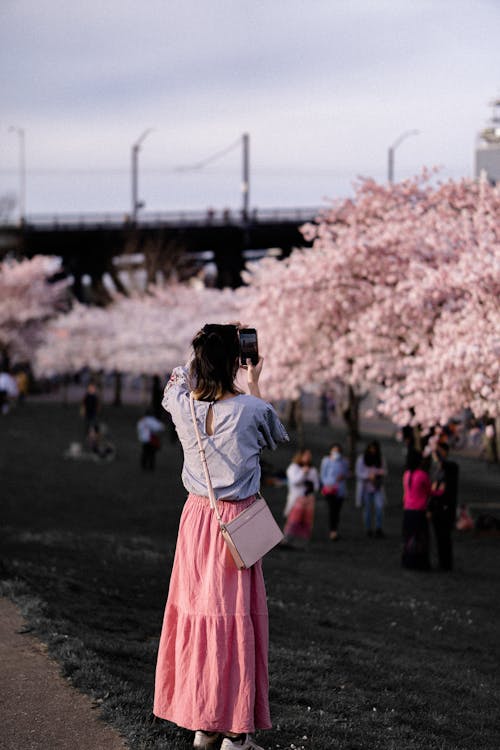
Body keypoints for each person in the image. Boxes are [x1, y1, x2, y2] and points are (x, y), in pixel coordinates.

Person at [153, 323, 289, 750]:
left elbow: (176, 379)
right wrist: (255, 381)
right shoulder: (252, 409)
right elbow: (277, 437)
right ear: (237, 360)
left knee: (199, 614)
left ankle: (203, 719)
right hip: (237, 522)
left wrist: (207, 347)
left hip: (197, 520)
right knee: (234, 620)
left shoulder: (181, 406)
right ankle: (232, 728)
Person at [429, 443, 459, 571]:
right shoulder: (438, 469)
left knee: (444, 537)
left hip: (445, 508)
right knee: (440, 537)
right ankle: (443, 562)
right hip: (438, 506)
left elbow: (443, 489)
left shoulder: (451, 468)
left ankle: (446, 563)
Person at [401, 451, 431, 570]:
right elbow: (429, 491)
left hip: (408, 510)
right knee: (420, 537)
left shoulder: (407, 474)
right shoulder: (422, 475)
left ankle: (408, 559)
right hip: (419, 510)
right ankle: (420, 562)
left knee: (408, 536)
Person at [355, 440, 387, 538]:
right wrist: (368, 476)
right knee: (367, 509)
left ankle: (378, 528)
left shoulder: (380, 459)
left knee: (379, 508)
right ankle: (368, 528)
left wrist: (377, 474)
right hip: (366, 488)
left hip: (377, 487)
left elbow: (384, 471)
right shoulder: (362, 459)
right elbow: (358, 473)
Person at [320, 443, 349, 540]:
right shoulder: (326, 461)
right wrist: (327, 485)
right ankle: (333, 531)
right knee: (332, 510)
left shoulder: (344, 462)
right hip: (329, 489)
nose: (336, 453)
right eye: (334, 450)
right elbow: (323, 475)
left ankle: (335, 529)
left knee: (337, 511)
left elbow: (347, 474)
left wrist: (344, 476)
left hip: (340, 490)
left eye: (338, 451)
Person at [283, 449, 319, 520]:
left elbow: (316, 485)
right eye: (306, 455)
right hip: (296, 499)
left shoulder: (312, 469)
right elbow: (294, 481)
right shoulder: (293, 467)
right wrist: (303, 473)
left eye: (309, 455)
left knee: (306, 522)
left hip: (308, 499)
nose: (308, 457)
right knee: (293, 522)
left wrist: (311, 487)